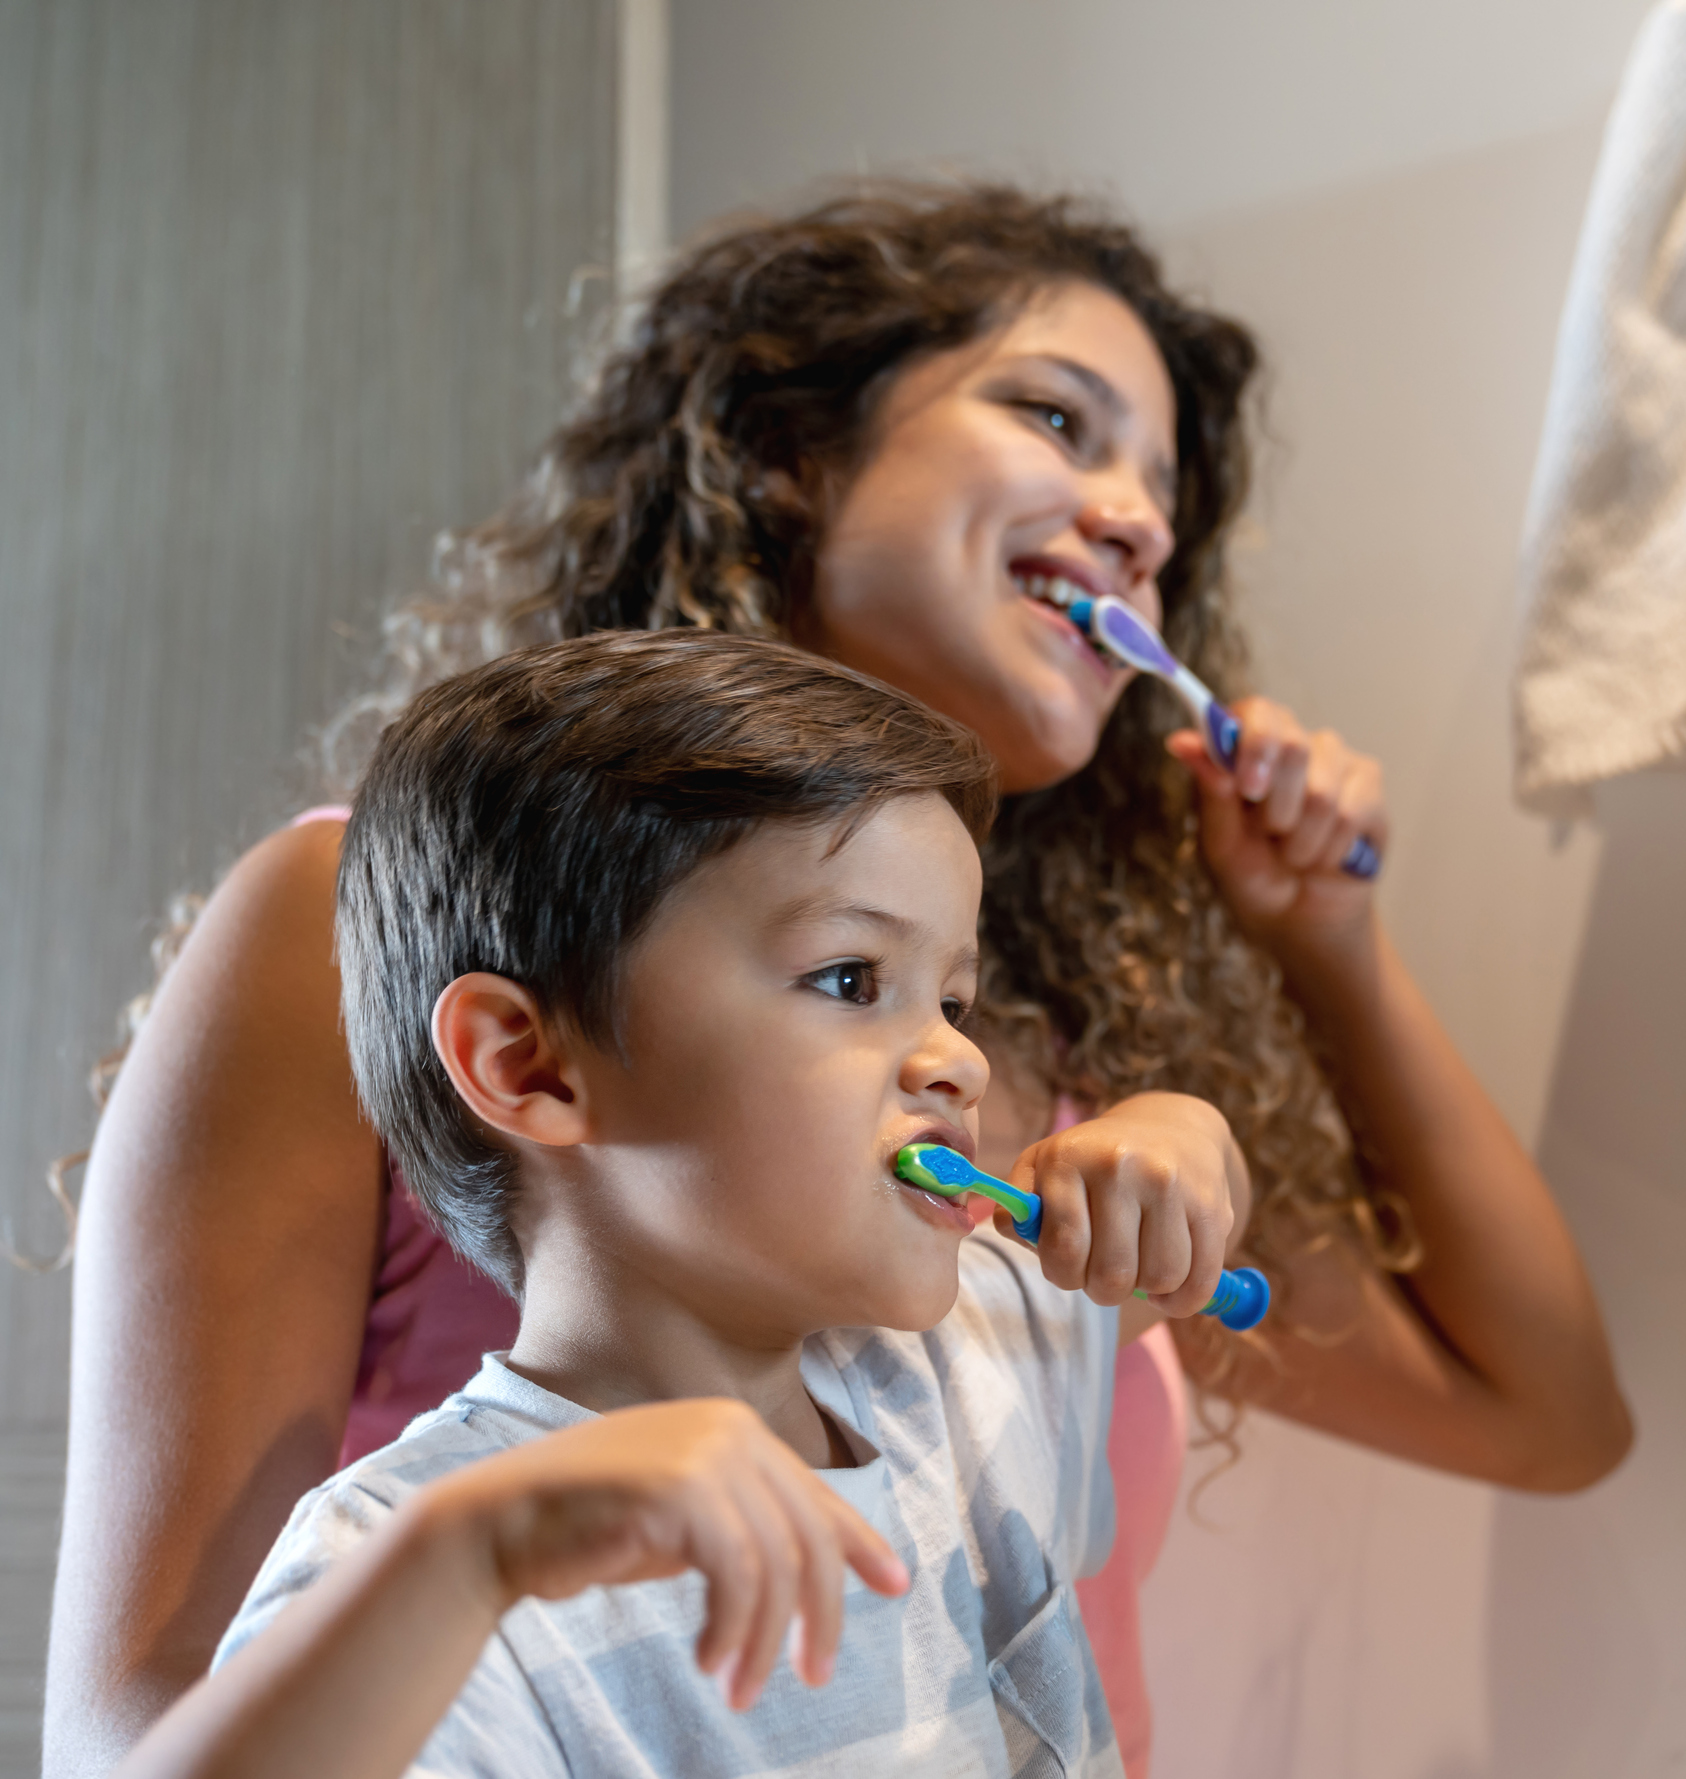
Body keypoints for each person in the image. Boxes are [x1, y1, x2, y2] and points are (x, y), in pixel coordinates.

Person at [46, 183, 1631, 1779]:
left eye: (1163, 494)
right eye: (1057, 418)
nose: (1140, 520)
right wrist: (475, 1551)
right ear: (780, 449)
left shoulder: (1033, 1084)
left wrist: (1319, 950)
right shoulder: (366, 919)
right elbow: (146, 1723)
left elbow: (1539, 1411)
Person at [114, 629, 1252, 1779]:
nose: (958, 1061)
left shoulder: (965, 1369)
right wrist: (467, 1561)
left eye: (952, 998)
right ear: (529, 1066)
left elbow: (1173, 1231)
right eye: (852, 980)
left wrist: (1181, 1134)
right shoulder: (424, 1578)